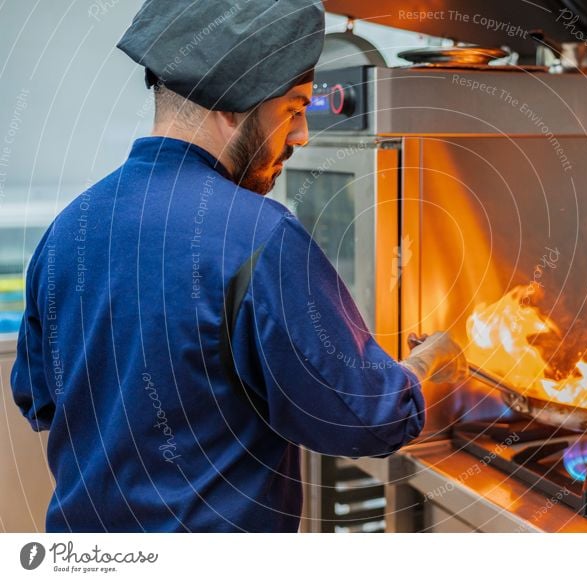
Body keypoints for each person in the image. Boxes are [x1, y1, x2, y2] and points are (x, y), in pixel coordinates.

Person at [10, 0, 466, 533]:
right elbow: (367, 419)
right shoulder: (259, 236)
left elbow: (38, 399)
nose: (301, 136)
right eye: (294, 109)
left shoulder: (69, 228)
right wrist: (428, 366)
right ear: (233, 100)